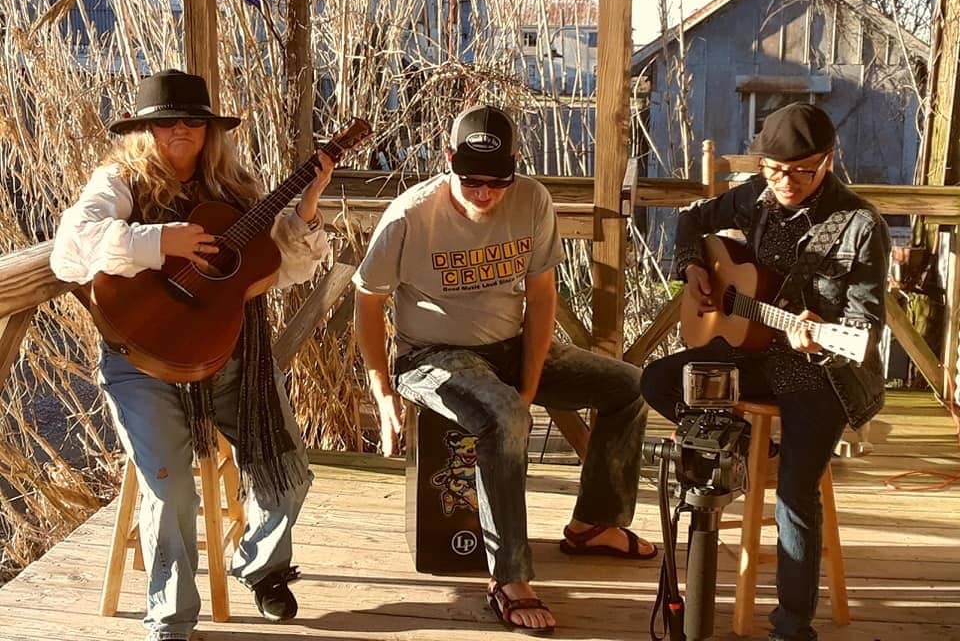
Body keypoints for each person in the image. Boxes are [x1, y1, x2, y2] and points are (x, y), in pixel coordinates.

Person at [50, 69, 333, 641]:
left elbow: (284, 266)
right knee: (170, 485)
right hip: (143, 361)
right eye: (166, 122)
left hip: (230, 352)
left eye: (193, 121)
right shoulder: (119, 180)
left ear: (209, 132)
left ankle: (260, 566)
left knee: (290, 474)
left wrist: (307, 208)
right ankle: (171, 620)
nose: (180, 130)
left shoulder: (234, 190)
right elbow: (70, 250)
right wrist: (163, 242)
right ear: (144, 130)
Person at [353, 104, 656, 635]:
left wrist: (532, 381)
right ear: (447, 160)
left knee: (628, 386)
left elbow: (541, 297)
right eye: (470, 180)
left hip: (510, 344)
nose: (484, 193)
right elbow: (367, 301)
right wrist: (382, 396)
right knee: (503, 414)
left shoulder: (534, 200)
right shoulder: (409, 216)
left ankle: (593, 523)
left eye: (497, 181)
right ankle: (509, 578)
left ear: (516, 166)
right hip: (430, 355)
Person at [641, 103, 890, 641]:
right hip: (750, 353)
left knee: (795, 495)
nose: (787, 182)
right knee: (658, 381)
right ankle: (748, 451)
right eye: (776, 170)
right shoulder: (754, 193)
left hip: (819, 370)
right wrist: (690, 266)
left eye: (803, 171)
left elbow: (864, 325)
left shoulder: (859, 224)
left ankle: (792, 627)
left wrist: (817, 335)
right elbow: (691, 218)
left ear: (828, 161)